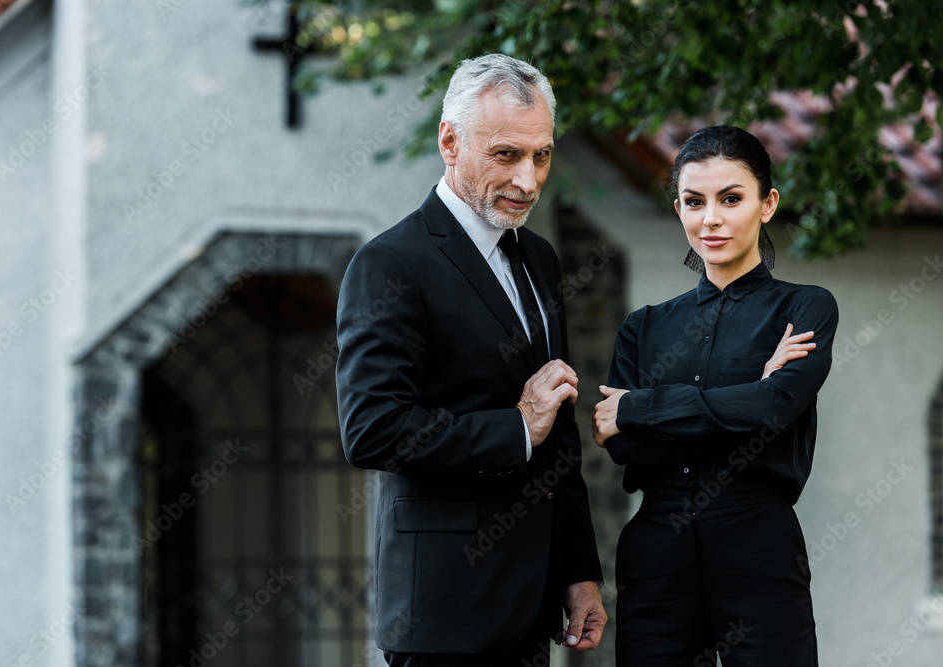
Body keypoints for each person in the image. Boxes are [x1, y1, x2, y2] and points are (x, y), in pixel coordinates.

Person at [335, 53, 606, 666]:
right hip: (445, 614)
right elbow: (372, 429)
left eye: (541, 155)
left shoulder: (539, 258)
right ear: (449, 141)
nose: (529, 180)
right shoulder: (391, 264)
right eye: (506, 155)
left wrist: (579, 570)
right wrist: (514, 427)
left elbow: (557, 435)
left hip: (533, 609)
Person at [592, 125, 837, 666]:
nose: (712, 219)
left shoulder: (805, 310)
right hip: (656, 553)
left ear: (767, 204)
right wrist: (749, 395)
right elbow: (626, 447)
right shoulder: (644, 327)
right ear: (678, 208)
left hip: (759, 547)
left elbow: (775, 410)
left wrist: (641, 407)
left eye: (731, 199)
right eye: (694, 201)